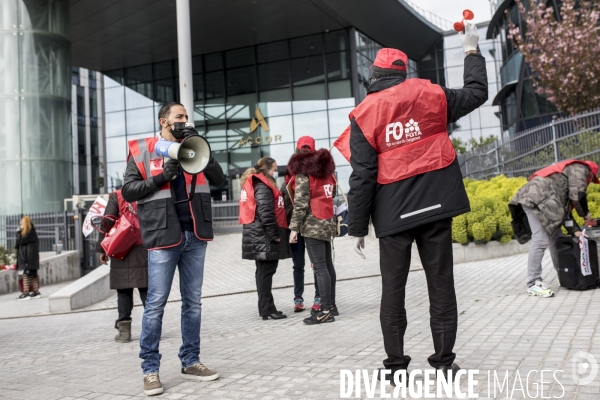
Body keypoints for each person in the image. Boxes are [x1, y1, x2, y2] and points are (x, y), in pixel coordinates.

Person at [347, 23, 488, 383]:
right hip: (436, 208)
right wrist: (470, 50)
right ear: (403, 72)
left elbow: (362, 175)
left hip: (393, 216)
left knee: (392, 291)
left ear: (374, 76)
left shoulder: (364, 113)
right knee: (441, 285)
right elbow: (476, 92)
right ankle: (443, 364)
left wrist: (358, 227)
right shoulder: (433, 95)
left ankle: (395, 368)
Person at [122, 102, 225, 396]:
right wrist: (161, 178)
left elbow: (218, 180)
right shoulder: (143, 149)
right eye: (179, 117)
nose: (184, 120)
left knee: (193, 303)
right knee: (155, 305)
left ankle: (190, 361)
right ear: (163, 121)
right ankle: (150, 370)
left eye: (186, 117)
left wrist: (200, 145)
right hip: (163, 237)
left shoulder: (193, 146)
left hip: (195, 234)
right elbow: (128, 191)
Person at [509, 160, 599, 297]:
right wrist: (585, 214)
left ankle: (564, 276)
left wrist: (575, 230)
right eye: (592, 180)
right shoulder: (582, 168)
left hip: (542, 200)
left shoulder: (565, 180)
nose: (589, 182)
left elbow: (564, 211)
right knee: (540, 239)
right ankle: (533, 283)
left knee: (556, 238)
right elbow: (578, 196)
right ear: (592, 174)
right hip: (536, 198)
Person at [288, 144, 338, 325]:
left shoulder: (304, 174)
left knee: (320, 267)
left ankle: (324, 310)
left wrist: (294, 229)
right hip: (327, 221)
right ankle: (331, 306)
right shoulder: (327, 173)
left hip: (312, 223)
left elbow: (300, 203)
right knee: (327, 265)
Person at [239, 157, 291, 320]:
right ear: (267, 170)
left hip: (259, 235)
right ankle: (267, 309)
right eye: (274, 169)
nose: (277, 172)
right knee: (266, 273)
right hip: (264, 236)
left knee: (263, 272)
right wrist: (274, 235)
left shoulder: (259, 184)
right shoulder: (263, 186)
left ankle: (266, 308)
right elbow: (266, 212)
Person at [96, 187, 148, 342]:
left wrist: (102, 248)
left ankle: (124, 333)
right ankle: (152, 330)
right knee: (146, 288)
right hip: (144, 245)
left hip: (121, 246)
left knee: (124, 291)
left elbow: (107, 220)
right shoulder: (147, 192)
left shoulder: (117, 196)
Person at [280, 136, 320, 314]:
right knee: (298, 264)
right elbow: (286, 199)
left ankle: (319, 296)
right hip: (295, 225)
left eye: (307, 150)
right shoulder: (290, 172)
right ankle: (298, 297)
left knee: (317, 264)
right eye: (302, 150)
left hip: (313, 225)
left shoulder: (319, 171)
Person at [15, 216, 40, 300]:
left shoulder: (28, 233)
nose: (20, 222)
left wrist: (18, 233)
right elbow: (17, 245)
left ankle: (26, 293)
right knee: (31, 275)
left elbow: (20, 241)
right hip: (29, 258)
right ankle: (36, 292)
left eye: (22, 221)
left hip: (27, 258)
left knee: (25, 274)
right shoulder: (31, 232)